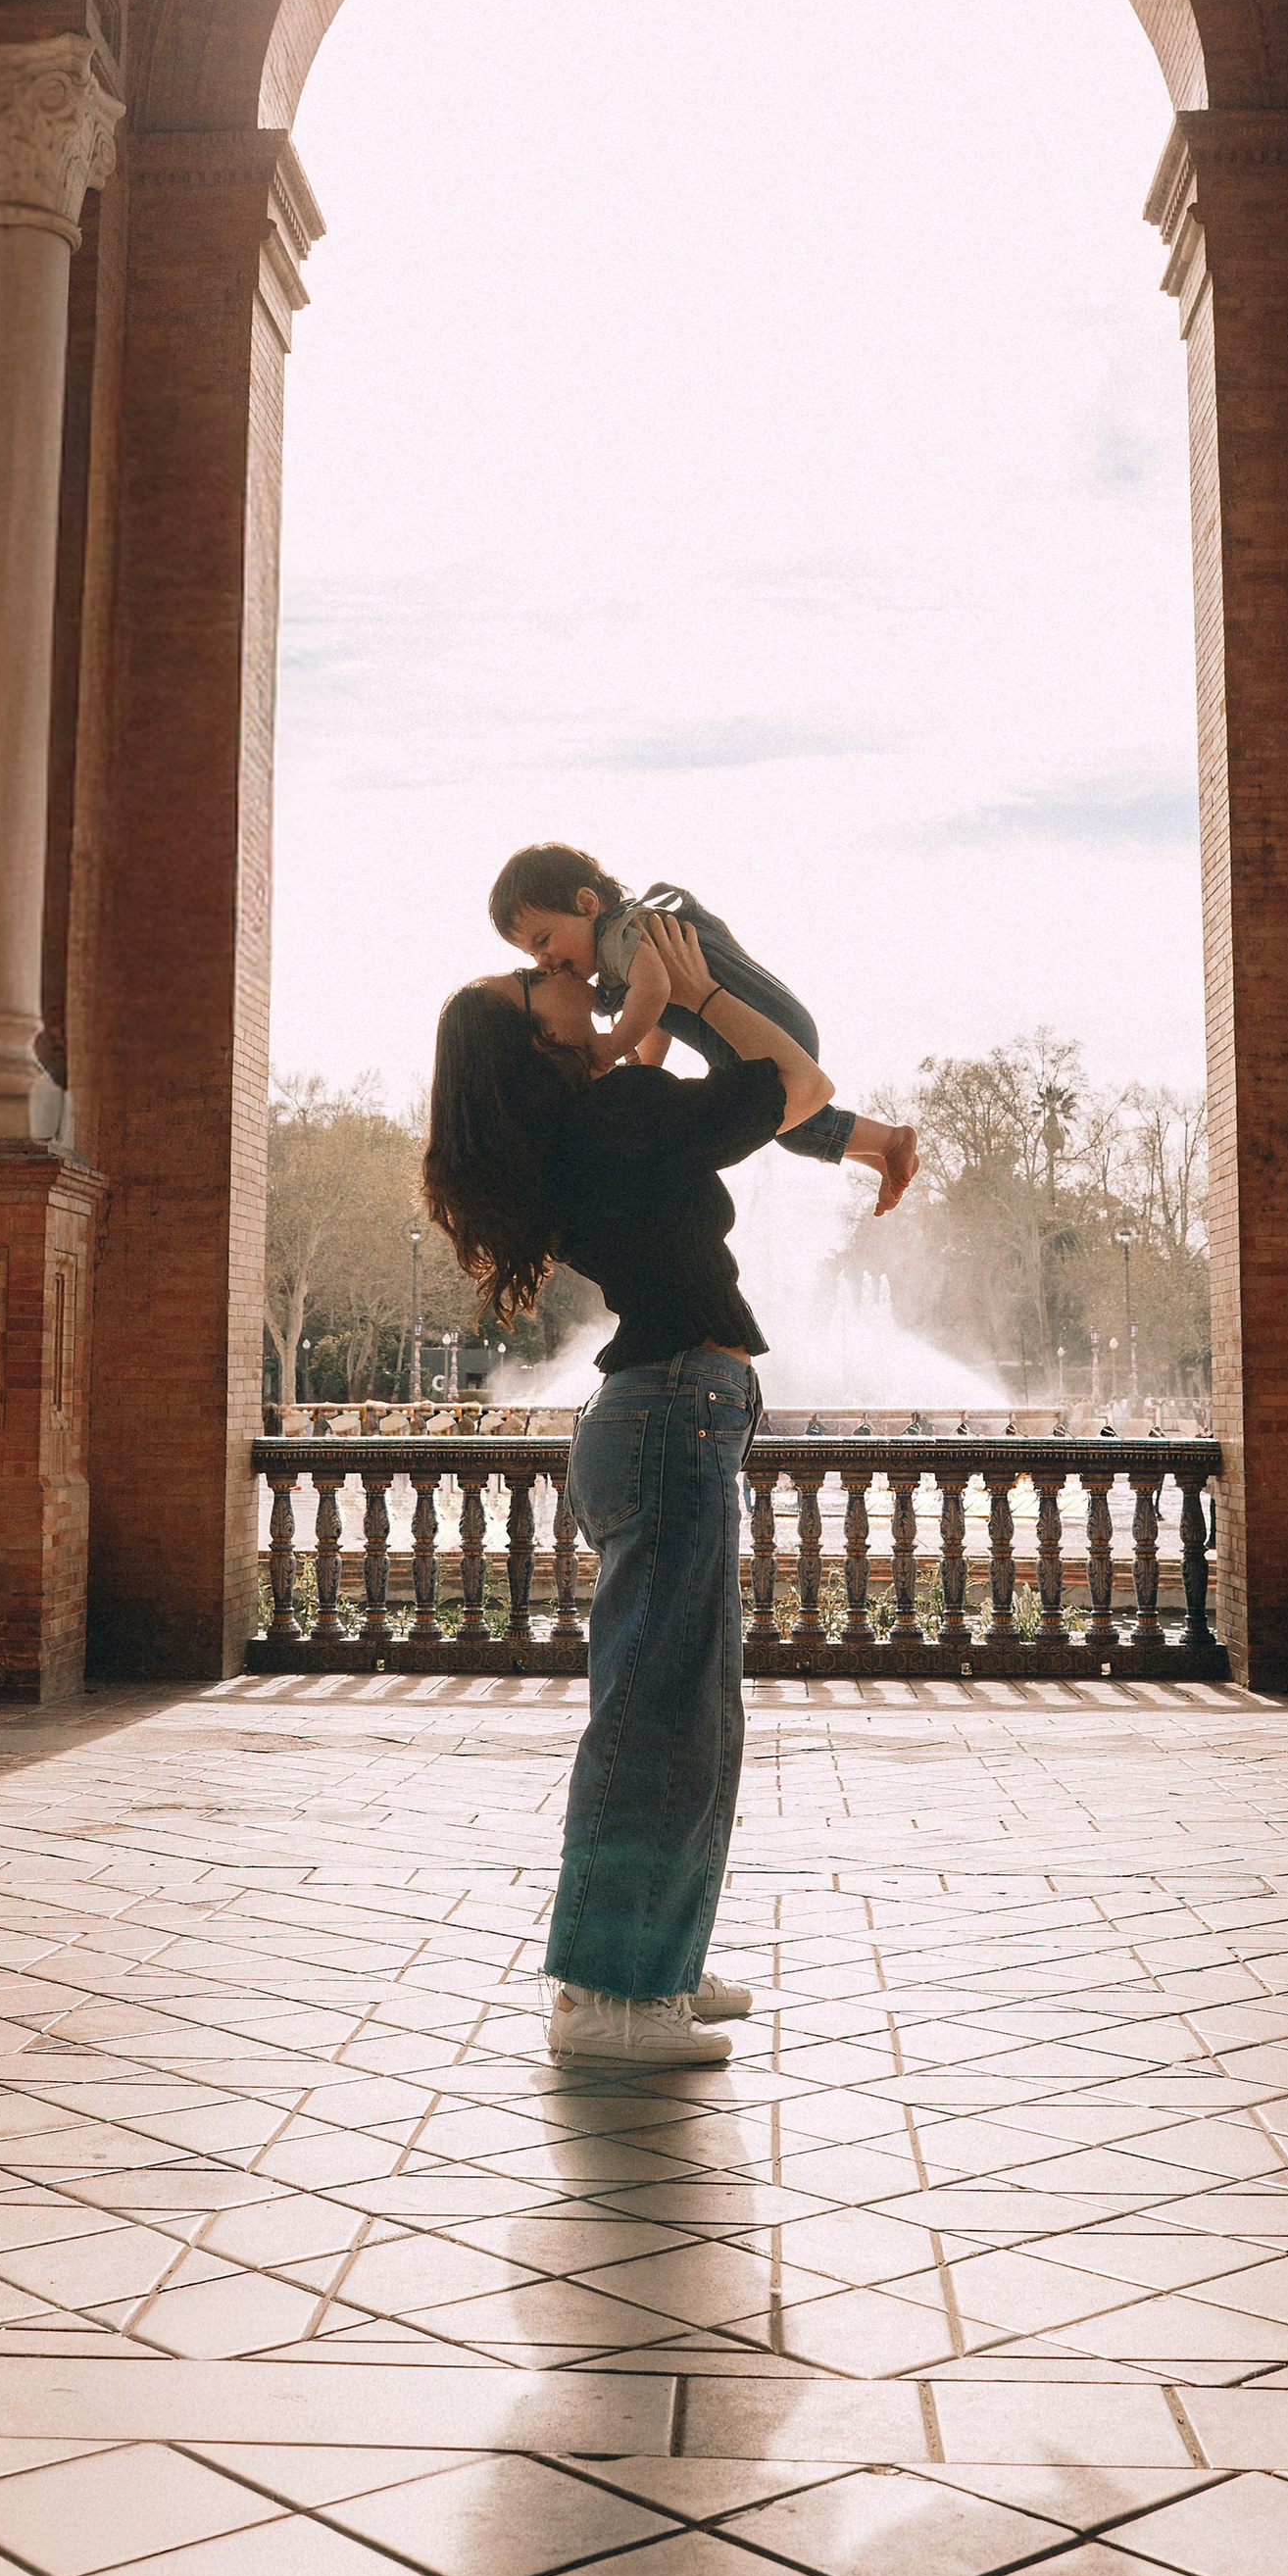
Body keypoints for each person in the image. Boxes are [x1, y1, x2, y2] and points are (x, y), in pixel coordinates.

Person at [422, 917, 830, 2063]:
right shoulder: (610, 1116)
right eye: (532, 978)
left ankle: (658, 1965)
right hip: (670, 1412)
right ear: (532, 1042)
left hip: (662, 1413)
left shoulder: (588, 1120)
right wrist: (700, 993)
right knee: (661, 1715)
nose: (557, 968)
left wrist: (640, 1024)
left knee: (693, 1711)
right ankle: (607, 1999)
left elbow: (630, 1079)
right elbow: (800, 1083)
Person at [487, 841, 917, 1214]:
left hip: (764, 1031)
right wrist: (645, 1071)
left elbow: (654, 993)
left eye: (543, 940)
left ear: (586, 905)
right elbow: (656, 1011)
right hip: (768, 1025)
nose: (542, 961)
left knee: (783, 1122)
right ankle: (880, 1153)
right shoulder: (627, 944)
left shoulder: (623, 936)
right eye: (531, 954)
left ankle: (891, 1143)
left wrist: (611, 1047)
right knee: (786, 1125)